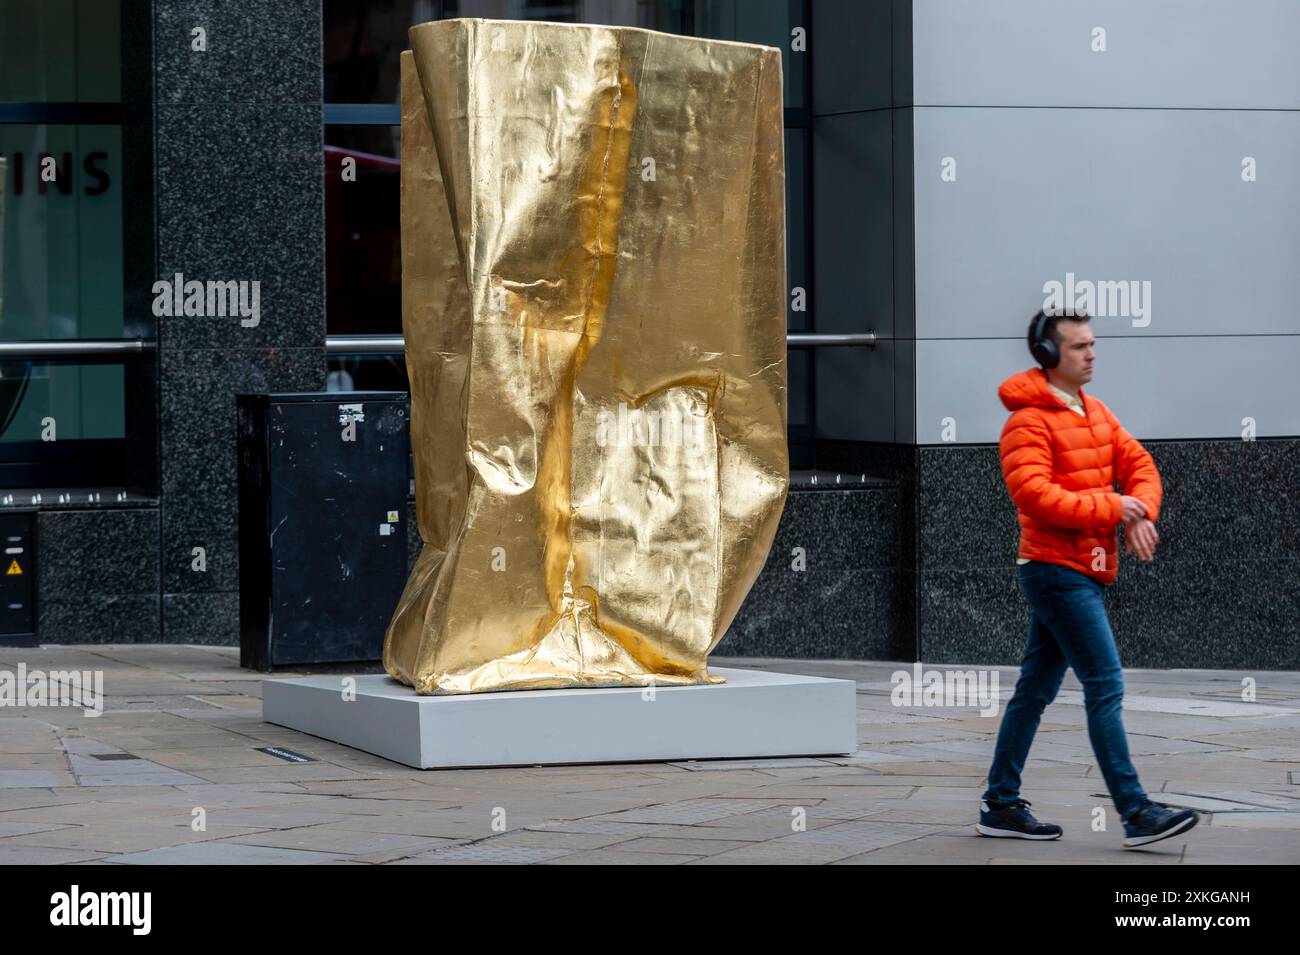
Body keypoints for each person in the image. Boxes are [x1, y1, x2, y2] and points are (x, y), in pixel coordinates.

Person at [975, 309, 1200, 849]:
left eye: (1092, 344)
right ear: (1049, 355)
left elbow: (1141, 464)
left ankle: (1000, 803)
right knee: (1105, 683)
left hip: (1085, 569)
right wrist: (1112, 508)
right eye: (1079, 347)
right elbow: (1034, 496)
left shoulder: (1094, 412)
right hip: (1055, 571)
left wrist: (1140, 510)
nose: (1092, 354)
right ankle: (1136, 811)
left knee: (1035, 690)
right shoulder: (1026, 422)